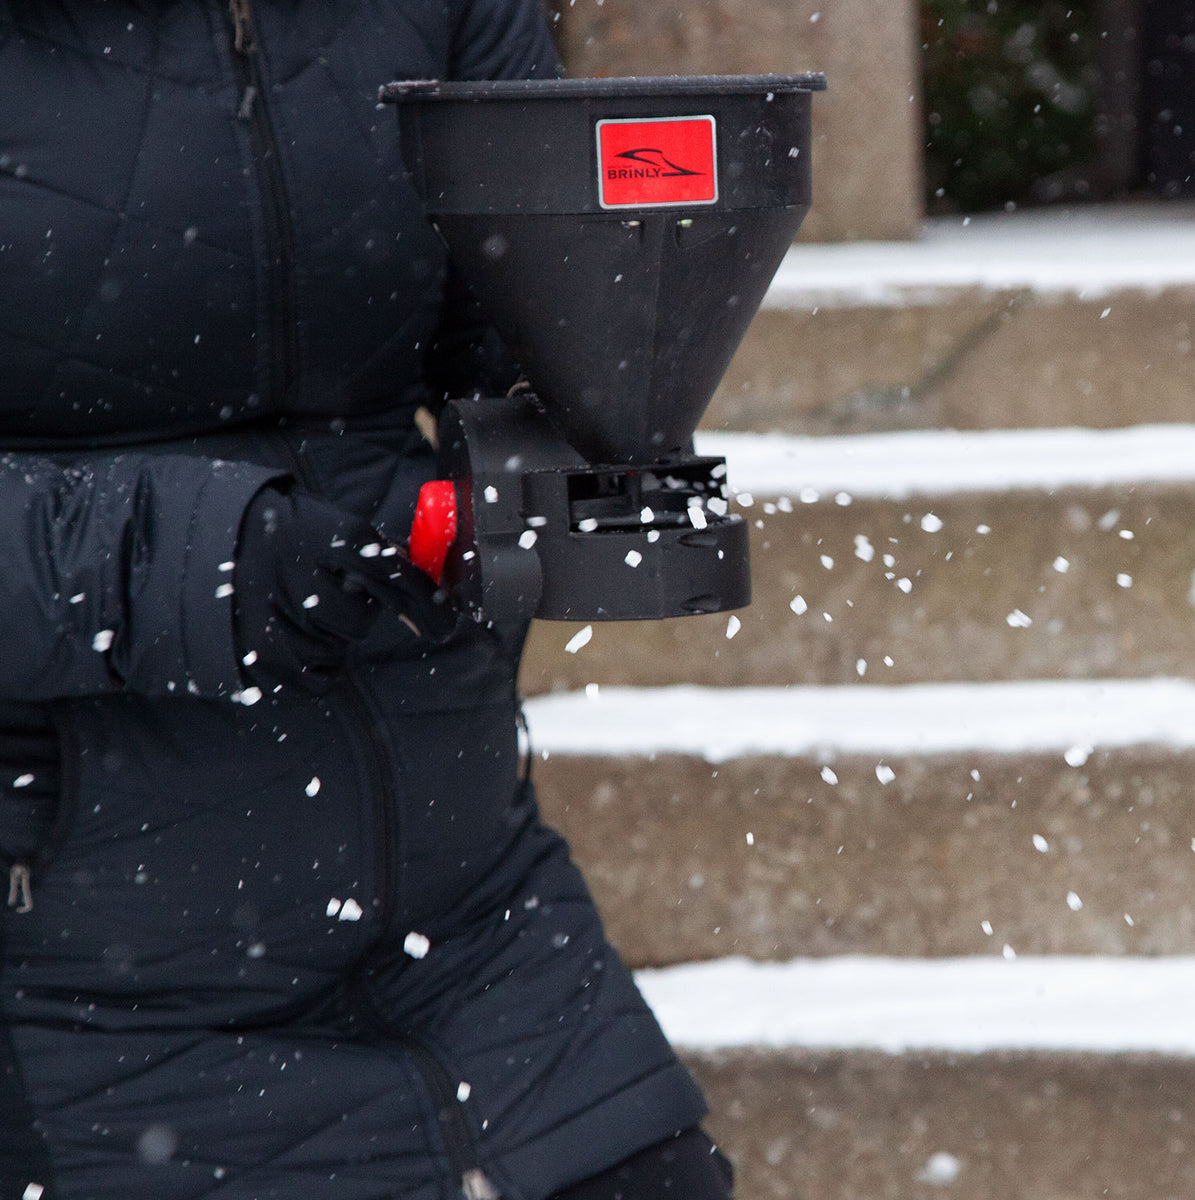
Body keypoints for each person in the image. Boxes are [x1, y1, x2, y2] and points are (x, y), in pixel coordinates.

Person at [0, 2, 736, 1198]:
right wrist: (184, 558)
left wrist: (606, 396)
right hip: (90, 975)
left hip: (474, 917)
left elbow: (510, 335)